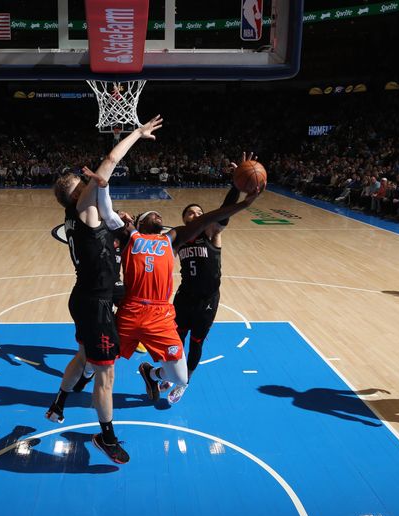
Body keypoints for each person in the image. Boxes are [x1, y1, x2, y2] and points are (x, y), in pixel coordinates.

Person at [46, 115, 164, 465]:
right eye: (81, 182)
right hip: (94, 303)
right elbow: (110, 162)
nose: (88, 182)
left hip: (85, 297)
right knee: (106, 373)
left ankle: (59, 404)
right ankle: (106, 436)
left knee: (83, 358)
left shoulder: (80, 214)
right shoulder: (83, 209)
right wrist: (137, 134)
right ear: (76, 194)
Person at [103, 178, 260, 405]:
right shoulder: (133, 237)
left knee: (184, 369)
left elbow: (216, 216)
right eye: (151, 213)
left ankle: (156, 375)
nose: (157, 215)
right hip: (145, 306)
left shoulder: (178, 237)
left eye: (198, 213)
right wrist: (116, 207)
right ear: (139, 222)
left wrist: (243, 201)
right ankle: (79, 382)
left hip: (180, 307)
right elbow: (108, 215)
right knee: (100, 358)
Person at [171, 153, 256, 395]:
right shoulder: (179, 237)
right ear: (184, 219)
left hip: (207, 300)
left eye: (199, 211)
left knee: (196, 343)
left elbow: (225, 211)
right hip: (184, 296)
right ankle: (172, 373)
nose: (195, 214)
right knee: (177, 339)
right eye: (191, 213)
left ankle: (185, 380)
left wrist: (235, 184)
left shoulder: (212, 231)